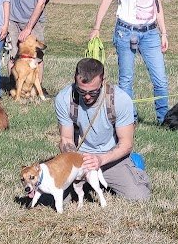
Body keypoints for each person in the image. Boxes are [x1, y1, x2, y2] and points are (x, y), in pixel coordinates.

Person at [89, 0, 169, 123]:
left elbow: (158, 5)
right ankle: (128, 119)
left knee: (161, 80)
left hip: (150, 33)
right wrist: (96, 27)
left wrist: (163, 32)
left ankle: (164, 119)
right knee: (126, 79)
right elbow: (107, 0)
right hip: (126, 32)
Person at [54, 58, 151, 200]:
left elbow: (126, 144)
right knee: (51, 197)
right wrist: (76, 163)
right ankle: (87, 183)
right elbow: (66, 139)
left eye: (93, 92)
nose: (87, 96)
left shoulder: (120, 100)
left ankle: (133, 168)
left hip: (110, 159)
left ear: (103, 80)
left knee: (140, 197)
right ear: (75, 79)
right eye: (81, 91)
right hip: (78, 159)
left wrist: (100, 160)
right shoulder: (64, 98)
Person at [7, 0, 54, 87]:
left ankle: (36, 88)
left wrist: (28, 28)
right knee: (13, 53)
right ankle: (13, 87)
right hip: (13, 17)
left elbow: (41, 3)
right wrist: (5, 17)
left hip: (34, 20)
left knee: (36, 56)